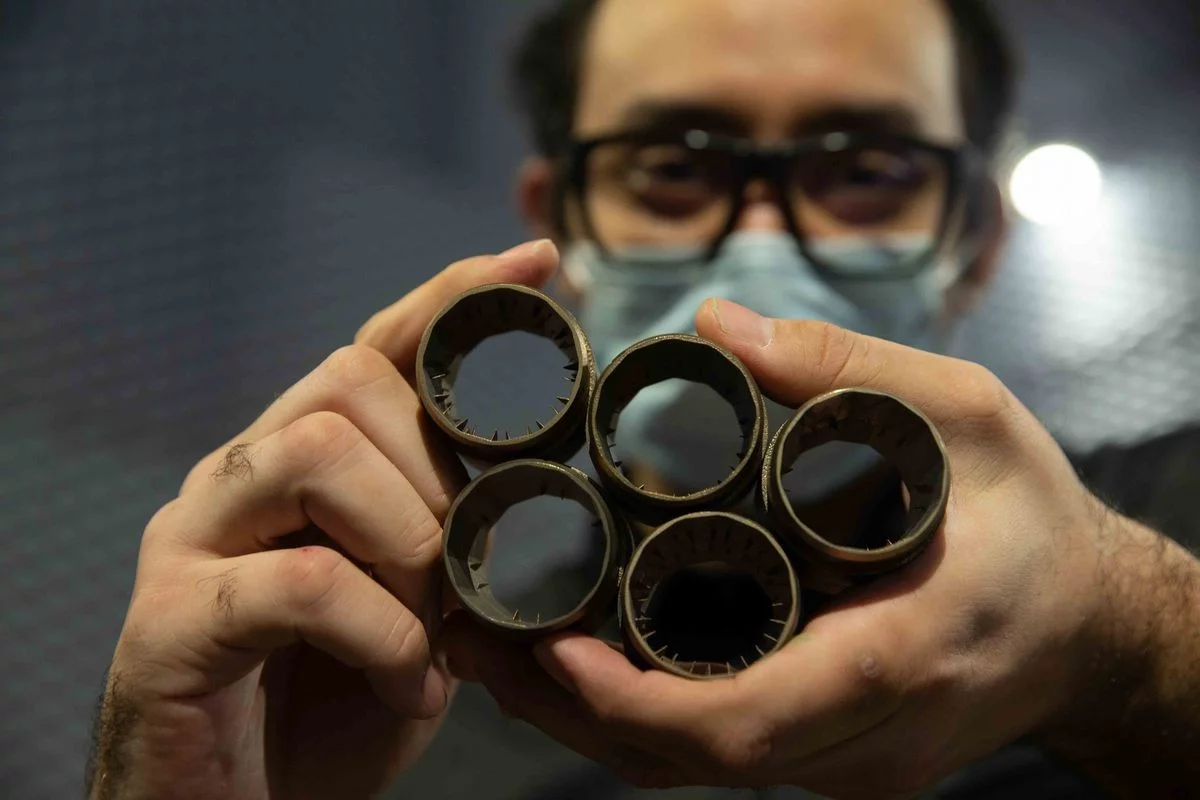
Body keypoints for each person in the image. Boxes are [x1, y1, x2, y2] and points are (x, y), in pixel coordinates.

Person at [86, 0, 1200, 798]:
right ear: (561, 224)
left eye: (865, 167)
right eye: (670, 165)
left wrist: (1125, 646)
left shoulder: (1168, 529)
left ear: (977, 243)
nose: (761, 240)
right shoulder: (409, 706)